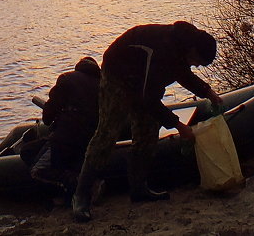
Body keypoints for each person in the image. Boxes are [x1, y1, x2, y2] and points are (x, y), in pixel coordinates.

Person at [71, 21, 224, 223]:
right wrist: (179, 126)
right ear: (192, 49)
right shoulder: (163, 49)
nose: (196, 65)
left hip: (143, 75)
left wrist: (208, 92)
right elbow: (148, 100)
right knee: (107, 133)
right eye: (197, 61)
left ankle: (138, 188)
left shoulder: (183, 47)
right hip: (118, 74)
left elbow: (182, 73)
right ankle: (81, 195)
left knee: (148, 130)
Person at [30, 56, 101, 193]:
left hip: (67, 138)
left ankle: (85, 185)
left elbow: (48, 117)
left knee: (37, 170)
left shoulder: (66, 79)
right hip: (92, 138)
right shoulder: (104, 83)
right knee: (30, 150)